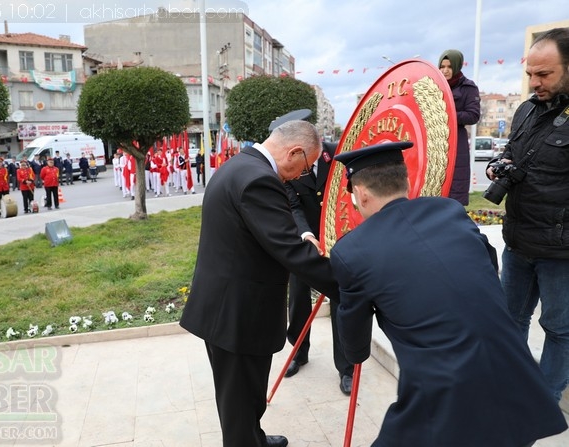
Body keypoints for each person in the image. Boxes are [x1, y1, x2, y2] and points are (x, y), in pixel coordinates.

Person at [330, 141, 567, 447]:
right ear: (406, 181)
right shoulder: (450, 210)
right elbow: (488, 260)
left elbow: (355, 340)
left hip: (444, 390)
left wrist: (356, 349)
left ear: (361, 194)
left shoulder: (352, 250)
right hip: (514, 377)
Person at [180, 120, 339, 447]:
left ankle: (254, 438)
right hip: (237, 314)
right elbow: (289, 251)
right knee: (239, 402)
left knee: (247, 395)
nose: (301, 176)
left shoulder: (240, 165)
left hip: (231, 307)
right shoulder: (259, 181)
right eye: (305, 167)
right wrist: (348, 283)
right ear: (294, 152)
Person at [486, 27, 569, 402]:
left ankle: (544, 401)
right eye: (530, 74)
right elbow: (512, 153)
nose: (534, 82)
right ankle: (506, 389)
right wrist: (499, 165)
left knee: (559, 329)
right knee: (509, 321)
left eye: (544, 74)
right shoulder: (526, 109)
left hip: (561, 254)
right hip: (518, 243)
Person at [275, 110, 353, 394]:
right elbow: (293, 205)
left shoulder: (339, 156)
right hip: (306, 240)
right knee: (297, 298)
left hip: (340, 241)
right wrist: (306, 235)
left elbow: (350, 195)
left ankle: (346, 367)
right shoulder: (289, 164)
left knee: (340, 301)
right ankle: (298, 352)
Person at [438, 49, 481, 205]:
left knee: (454, 190)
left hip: (456, 142)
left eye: (449, 66)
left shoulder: (468, 87)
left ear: (457, 66)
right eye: (442, 66)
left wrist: (447, 114)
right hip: (435, 141)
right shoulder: (433, 85)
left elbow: (473, 115)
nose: (445, 70)